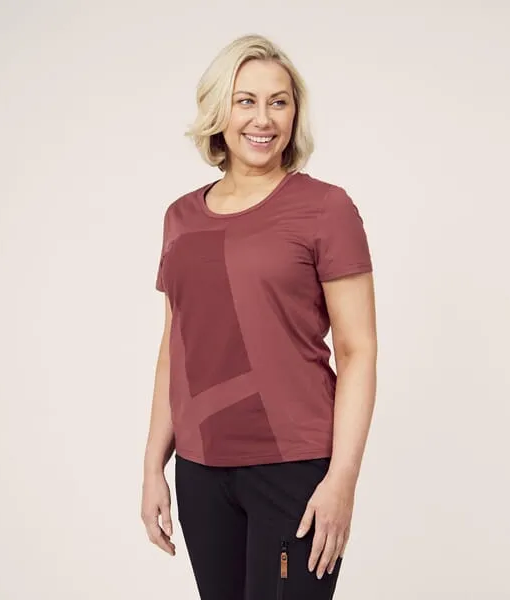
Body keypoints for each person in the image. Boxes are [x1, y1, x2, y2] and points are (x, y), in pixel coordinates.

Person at [141, 33, 378, 600]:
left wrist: (342, 480)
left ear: (295, 114)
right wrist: (153, 466)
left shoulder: (326, 208)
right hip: (200, 469)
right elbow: (175, 346)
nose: (263, 119)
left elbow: (358, 350)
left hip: (293, 467)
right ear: (218, 110)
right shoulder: (181, 218)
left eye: (279, 102)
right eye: (245, 100)